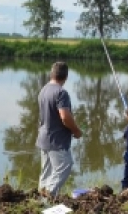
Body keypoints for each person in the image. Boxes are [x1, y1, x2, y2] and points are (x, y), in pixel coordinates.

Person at [36, 62, 82, 199]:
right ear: (66, 76)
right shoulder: (61, 93)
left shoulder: (43, 90)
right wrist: (76, 131)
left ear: (52, 74)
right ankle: (49, 193)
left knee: (47, 171)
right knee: (65, 166)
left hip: (43, 138)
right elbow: (65, 117)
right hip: (57, 140)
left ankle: (42, 199)